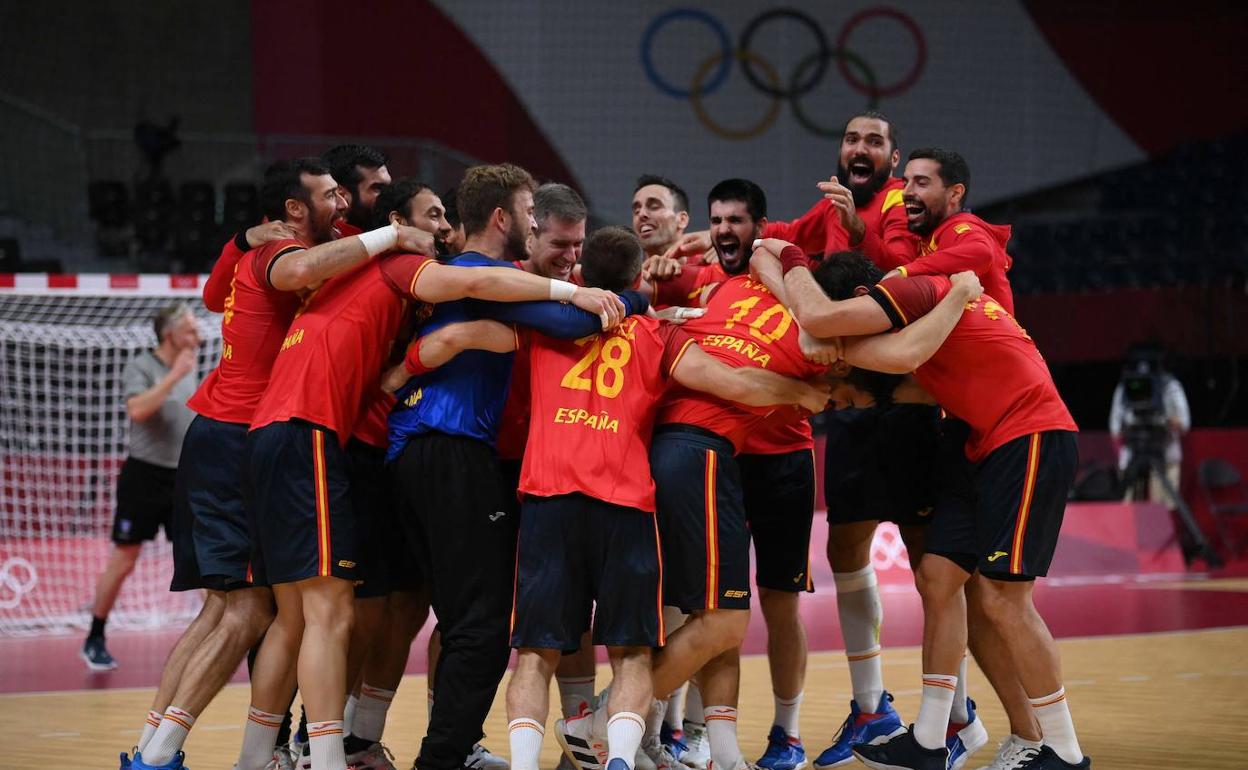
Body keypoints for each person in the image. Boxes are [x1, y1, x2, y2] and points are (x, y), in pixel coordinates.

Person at [561, 181, 979, 770]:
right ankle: (609, 721)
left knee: (720, 612)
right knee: (721, 618)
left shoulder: (736, 288)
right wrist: (957, 298)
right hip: (698, 453)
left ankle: (702, 738)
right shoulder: (825, 342)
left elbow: (763, 253)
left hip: (685, 454)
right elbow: (896, 356)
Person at [122, 157, 438, 770]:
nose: (349, 203)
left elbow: (217, 292)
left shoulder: (295, 245)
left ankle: (159, 749)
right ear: (296, 208)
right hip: (243, 434)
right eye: (336, 194)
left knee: (235, 608)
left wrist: (238, 240)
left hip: (238, 432)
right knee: (250, 608)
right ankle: (161, 755)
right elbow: (293, 271)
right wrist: (392, 235)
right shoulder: (282, 252)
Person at [759, 247, 1089, 770]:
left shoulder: (912, 302)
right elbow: (809, 312)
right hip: (978, 440)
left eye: (838, 398)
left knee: (1004, 600)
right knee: (937, 576)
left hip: (1030, 435)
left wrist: (800, 285)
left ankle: (1064, 751)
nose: (833, 406)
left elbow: (830, 324)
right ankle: (932, 740)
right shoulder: (911, 334)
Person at [385, 164, 641, 770]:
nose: (534, 224)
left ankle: (440, 746)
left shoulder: (465, 276)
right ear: (502, 218)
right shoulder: (487, 275)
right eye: (530, 215)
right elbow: (576, 321)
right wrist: (633, 295)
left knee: (459, 615)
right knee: (482, 625)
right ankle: (443, 757)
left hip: (412, 450)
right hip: (449, 450)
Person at [83, 303, 202, 671]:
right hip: (144, 476)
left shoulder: (191, 365)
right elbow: (138, 411)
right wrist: (173, 376)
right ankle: (95, 636)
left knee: (199, 560)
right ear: (171, 335)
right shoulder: (142, 366)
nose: (197, 338)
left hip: (182, 477)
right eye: (190, 331)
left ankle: (218, 640)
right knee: (124, 559)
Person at [1109, 350, 1190, 507]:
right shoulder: (1126, 386)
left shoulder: (1170, 387)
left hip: (1164, 455)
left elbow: (1184, 424)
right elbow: (1115, 429)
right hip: (1133, 453)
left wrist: (1164, 419)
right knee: (1126, 506)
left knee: (1163, 510)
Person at [322, 144, 393, 234]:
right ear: (341, 195)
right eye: (378, 188)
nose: (390, 195)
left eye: (389, 187)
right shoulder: (312, 242)